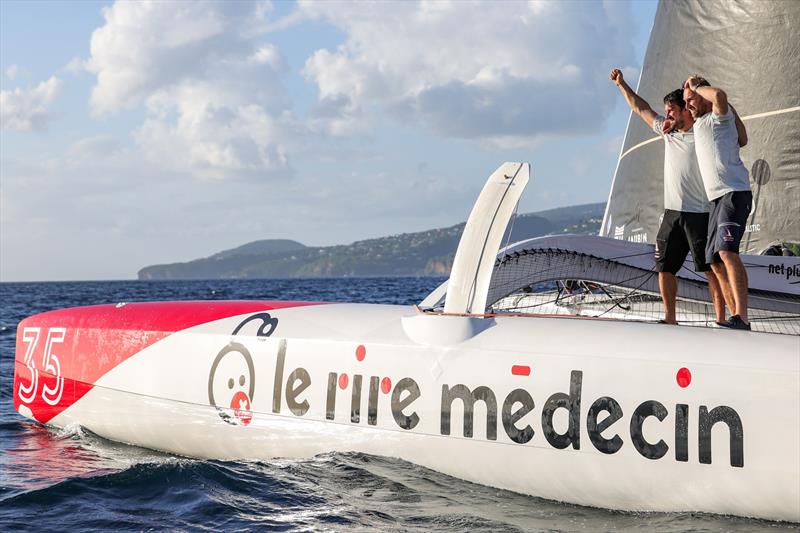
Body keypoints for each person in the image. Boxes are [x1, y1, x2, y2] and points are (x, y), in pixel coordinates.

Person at [610, 68, 725, 325]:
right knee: (665, 268)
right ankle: (670, 318)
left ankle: (721, 318)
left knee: (711, 270)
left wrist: (697, 88)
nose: (668, 115)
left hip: (701, 214)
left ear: (686, 109)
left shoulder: (705, 131)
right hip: (672, 213)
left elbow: (721, 108)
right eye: (667, 110)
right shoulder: (667, 131)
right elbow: (641, 108)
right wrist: (621, 84)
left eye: (672, 110)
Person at [683, 75, 752, 330]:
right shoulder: (701, 121)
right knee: (713, 259)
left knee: (727, 252)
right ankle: (735, 313)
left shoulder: (719, 117)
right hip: (716, 199)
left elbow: (720, 96)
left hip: (734, 192)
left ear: (703, 95)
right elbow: (742, 139)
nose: (688, 105)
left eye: (691, 99)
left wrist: (698, 87)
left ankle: (742, 317)